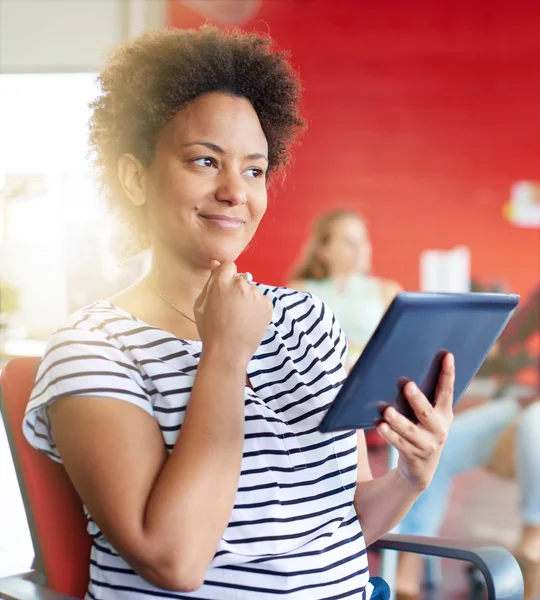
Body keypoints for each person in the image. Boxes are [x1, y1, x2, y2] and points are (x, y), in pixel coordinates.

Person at [22, 26, 455, 600]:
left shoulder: (310, 320)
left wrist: (410, 479)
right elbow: (173, 560)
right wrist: (223, 357)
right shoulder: (95, 347)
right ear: (134, 177)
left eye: (254, 170)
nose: (235, 191)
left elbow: (337, 530)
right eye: (205, 161)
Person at [396, 283, 540, 600]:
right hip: (525, 402)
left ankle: (532, 545)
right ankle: (409, 569)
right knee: (442, 443)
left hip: (532, 414)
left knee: (532, 429)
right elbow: (508, 340)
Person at [289, 210, 401, 369]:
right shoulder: (298, 292)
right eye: (348, 242)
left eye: (362, 240)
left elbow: (399, 349)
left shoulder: (388, 291)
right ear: (323, 249)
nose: (359, 248)